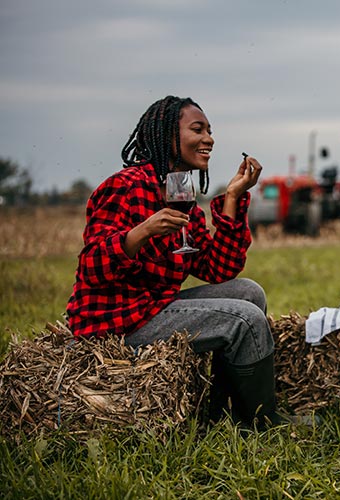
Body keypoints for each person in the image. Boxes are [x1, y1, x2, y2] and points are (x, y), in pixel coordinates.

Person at [66, 95, 285, 429]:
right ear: (169, 135)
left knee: (249, 293)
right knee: (245, 319)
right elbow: (91, 269)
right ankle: (261, 423)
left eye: (210, 130)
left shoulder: (181, 196)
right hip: (118, 323)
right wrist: (141, 233)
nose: (209, 138)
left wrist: (232, 199)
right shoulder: (123, 187)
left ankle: (224, 412)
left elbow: (218, 270)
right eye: (198, 129)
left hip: (153, 307)